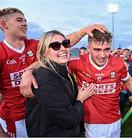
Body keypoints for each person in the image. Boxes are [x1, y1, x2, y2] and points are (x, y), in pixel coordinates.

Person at [0, 7, 106, 137]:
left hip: (39, 113)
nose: (25, 23)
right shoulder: (1, 53)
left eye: (25, 20)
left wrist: (29, 70)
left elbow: (57, 46)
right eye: (19, 20)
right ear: (4, 24)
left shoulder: (33, 45)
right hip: (15, 118)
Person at [20, 29, 132, 137]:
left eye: (106, 49)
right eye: (97, 50)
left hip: (114, 119)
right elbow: (49, 59)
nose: (102, 55)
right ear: (89, 48)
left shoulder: (118, 63)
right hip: (91, 122)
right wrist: (29, 70)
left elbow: (129, 80)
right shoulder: (77, 62)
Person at [26, 30, 95, 136]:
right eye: (55, 46)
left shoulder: (62, 72)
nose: (63, 48)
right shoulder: (43, 79)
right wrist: (80, 99)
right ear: (44, 52)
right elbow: (69, 119)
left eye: (65, 44)